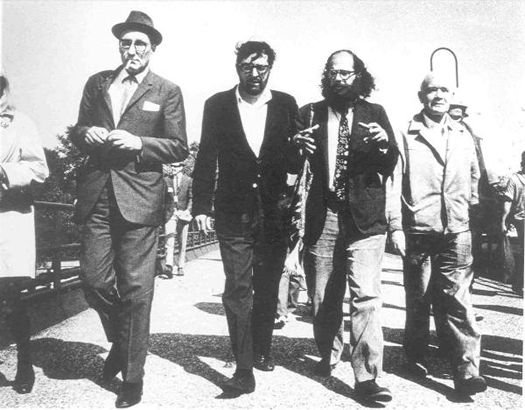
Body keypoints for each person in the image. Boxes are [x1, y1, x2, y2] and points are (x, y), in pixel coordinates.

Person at [70, 11, 188, 408]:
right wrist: (87, 133)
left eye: (140, 43)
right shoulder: (98, 83)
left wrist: (139, 143)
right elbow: (78, 130)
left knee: (137, 291)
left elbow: (178, 146)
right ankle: (124, 341)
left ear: (152, 48)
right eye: (126, 43)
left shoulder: (166, 91)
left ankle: (133, 377)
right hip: (98, 195)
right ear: (119, 46)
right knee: (92, 280)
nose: (132, 49)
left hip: (140, 199)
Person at [192, 40, 300, 395]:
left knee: (267, 286)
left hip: (274, 214)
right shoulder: (217, 105)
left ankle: (262, 347)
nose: (254, 74)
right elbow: (206, 157)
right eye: (247, 67)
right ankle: (243, 367)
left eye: (261, 67)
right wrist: (201, 206)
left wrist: (299, 153)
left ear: (270, 69)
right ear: (237, 67)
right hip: (232, 210)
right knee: (238, 287)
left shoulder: (286, 105)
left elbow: (295, 162)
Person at [292, 49, 398, 404]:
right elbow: (290, 164)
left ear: (358, 77)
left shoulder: (375, 113)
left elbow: (390, 161)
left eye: (346, 73)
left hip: (365, 220)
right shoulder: (310, 113)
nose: (339, 79)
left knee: (366, 296)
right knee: (323, 297)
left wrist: (384, 145)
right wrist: (295, 146)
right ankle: (329, 350)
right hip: (323, 216)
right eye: (333, 73)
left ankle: (367, 377)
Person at [389, 72, 487, 397]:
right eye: (432, 90)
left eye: (445, 90)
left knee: (457, 298)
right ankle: (415, 356)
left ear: (452, 95)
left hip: (456, 228)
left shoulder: (463, 133)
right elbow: (393, 182)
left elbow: (474, 173)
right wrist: (396, 227)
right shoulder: (405, 132)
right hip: (419, 228)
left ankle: (466, 371)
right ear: (422, 96)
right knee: (418, 298)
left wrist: (469, 206)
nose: (439, 95)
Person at [0, 70, 49, 394]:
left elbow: (39, 169)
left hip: (8, 218)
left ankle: (24, 364)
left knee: (11, 297)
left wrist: (4, 171)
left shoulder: (20, 123)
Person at [161, 161, 193, 278]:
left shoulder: (188, 180)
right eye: (172, 166)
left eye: (176, 166)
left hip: (183, 214)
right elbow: (162, 198)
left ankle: (180, 266)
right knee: (169, 240)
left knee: (182, 241)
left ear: (181, 167)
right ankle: (168, 266)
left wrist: (188, 210)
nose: (173, 168)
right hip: (170, 214)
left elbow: (191, 197)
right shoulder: (166, 180)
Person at [500, 151, 525, 295]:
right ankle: (519, 284)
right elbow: (507, 203)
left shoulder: (514, 179)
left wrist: (503, 222)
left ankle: (518, 284)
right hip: (521, 220)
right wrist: (503, 222)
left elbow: (507, 203)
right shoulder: (514, 180)